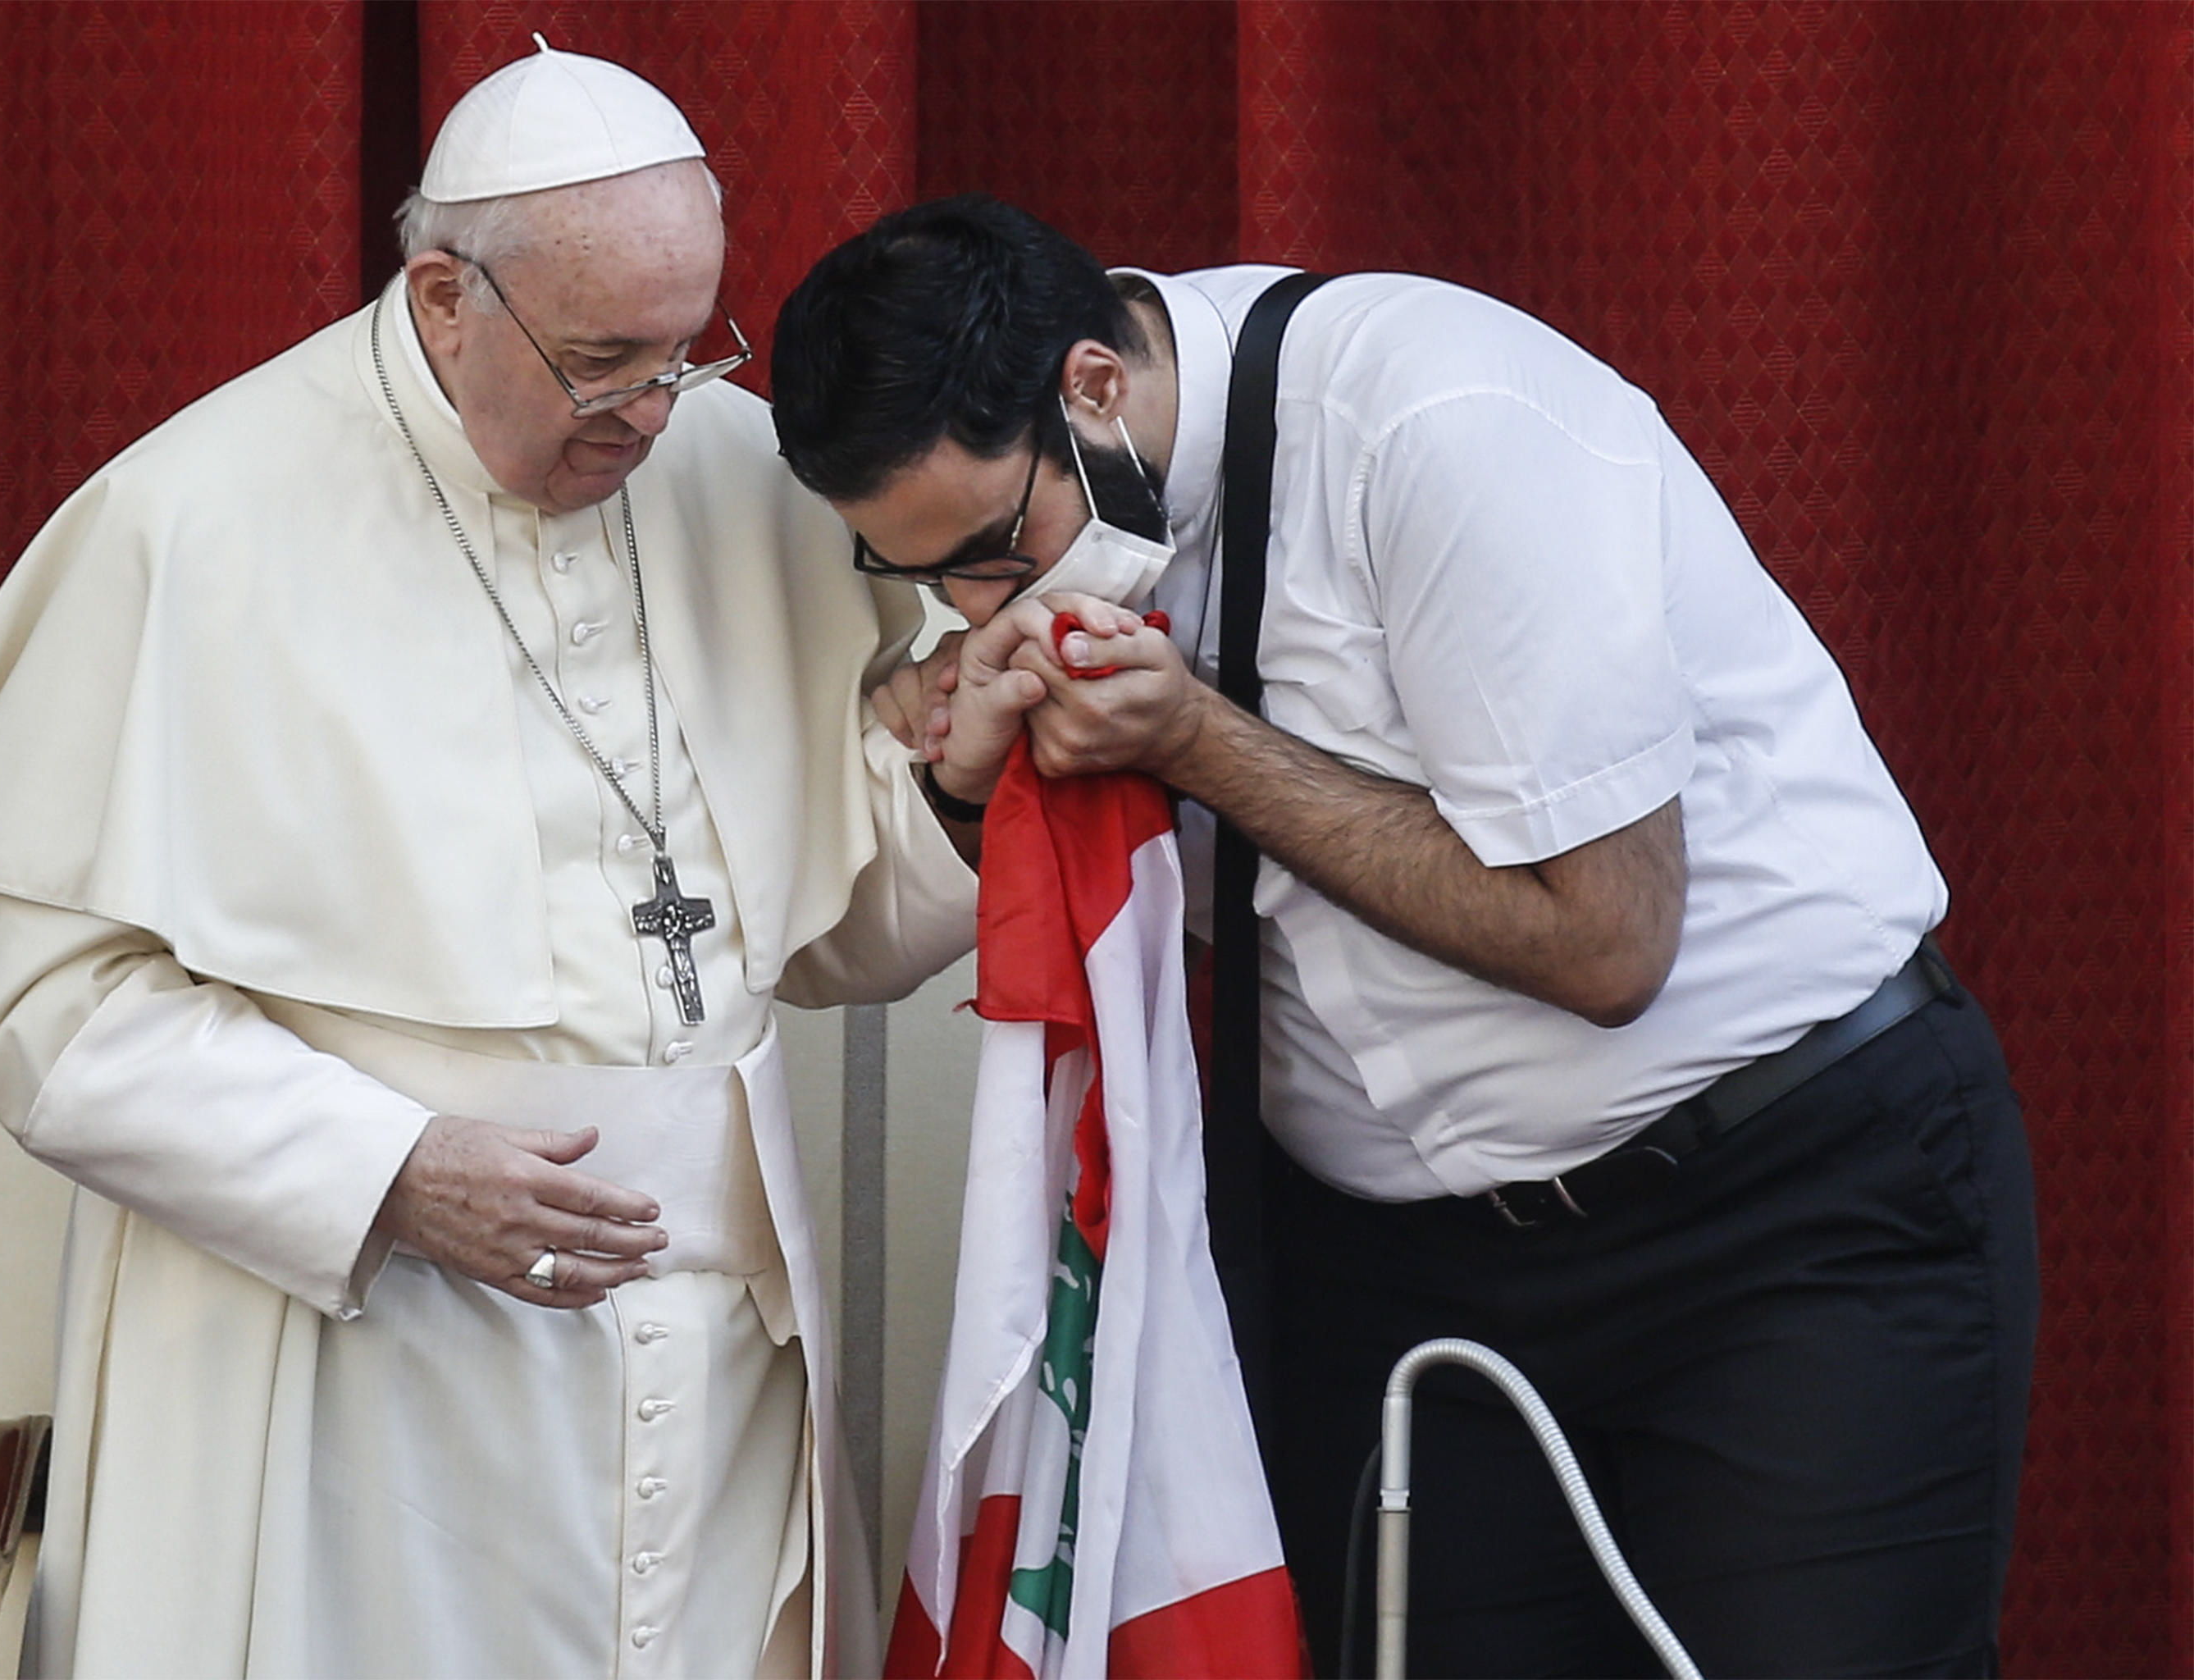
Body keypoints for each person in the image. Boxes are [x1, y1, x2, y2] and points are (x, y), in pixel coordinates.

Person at [769, 194, 2037, 1678]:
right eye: (921, 574)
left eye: (992, 548)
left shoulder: (1434, 419)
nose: (983, 601)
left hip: (1776, 1210)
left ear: (1096, 388)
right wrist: (956, 768)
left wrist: (1198, 742)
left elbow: (1608, 943)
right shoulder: (1063, 511)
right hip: (1388, 1271)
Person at [0, 43, 978, 1680]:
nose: (658, 417)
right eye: (607, 363)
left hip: (717, 1363)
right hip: (361, 1374)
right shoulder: (195, 520)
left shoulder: (735, 469)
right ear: (448, 296)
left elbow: (830, 934)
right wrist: (389, 1170)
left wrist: (946, 798)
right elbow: (57, 1019)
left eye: (690, 352)